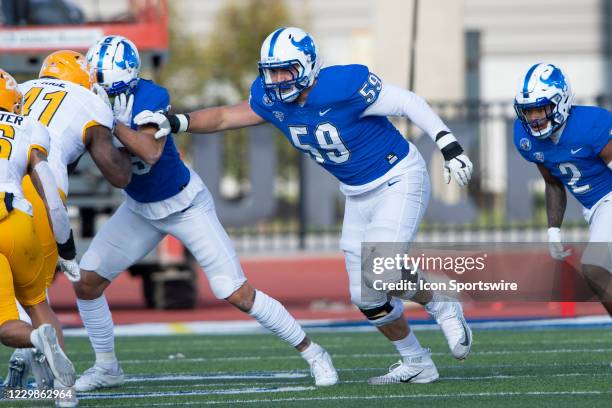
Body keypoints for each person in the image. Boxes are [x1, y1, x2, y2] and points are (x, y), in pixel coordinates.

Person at [137, 27, 474, 384]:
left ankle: (440, 302)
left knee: (380, 270)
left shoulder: (343, 85)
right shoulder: (270, 99)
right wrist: (177, 122)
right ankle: (417, 361)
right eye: (272, 71)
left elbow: (407, 101)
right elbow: (224, 116)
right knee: (366, 296)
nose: (278, 79)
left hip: (398, 177)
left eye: (287, 70)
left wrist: (447, 144)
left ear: (310, 66)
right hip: (357, 192)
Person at [73, 35, 338, 392]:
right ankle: (107, 368)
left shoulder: (151, 96)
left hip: (185, 205)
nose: (101, 94)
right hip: (139, 209)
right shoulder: (90, 100)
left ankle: (313, 351)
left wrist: (106, 121)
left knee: (235, 292)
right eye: (97, 89)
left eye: (107, 89)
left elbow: (150, 152)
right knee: (87, 283)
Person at [4, 49, 132, 398]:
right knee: (35, 297)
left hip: (9, 183)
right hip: (42, 188)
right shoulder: (89, 101)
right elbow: (116, 174)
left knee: (15, 289)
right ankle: (59, 386)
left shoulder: (22, 88)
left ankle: (24, 357)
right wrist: (120, 130)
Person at [513, 63, 612, 313]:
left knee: (595, 267)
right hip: (595, 209)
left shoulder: (591, 125)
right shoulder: (525, 139)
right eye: (529, 111)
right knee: (597, 272)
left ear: (561, 101)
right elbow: (553, 183)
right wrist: (553, 230)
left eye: (540, 108)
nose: (534, 118)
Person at [0, 68, 77, 390]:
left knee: (4, 322)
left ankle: (33, 339)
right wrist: (67, 249)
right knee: (36, 303)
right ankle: (64, 391)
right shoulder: (30, 126)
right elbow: (51, 197)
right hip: (18, 217)